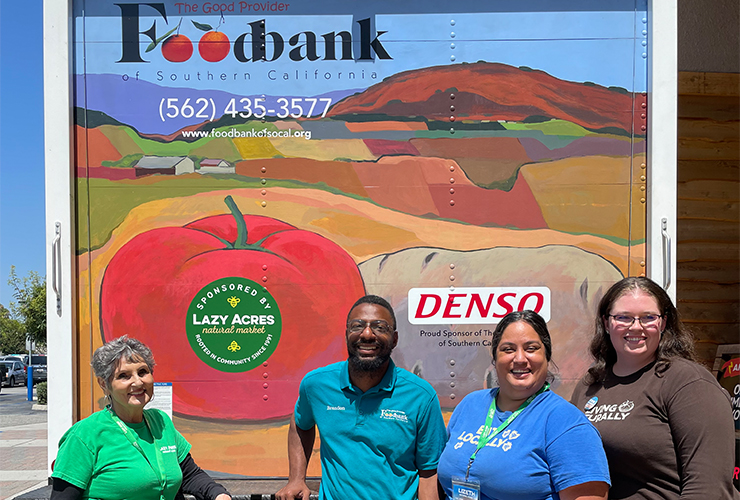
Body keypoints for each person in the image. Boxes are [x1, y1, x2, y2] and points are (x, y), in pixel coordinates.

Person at [571, 276, 739, 499]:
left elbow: (709, 488)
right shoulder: (590, 385)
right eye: (624, 317)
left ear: (663, 323)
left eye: (648, 317)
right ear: (606, 322)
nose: (636, 327)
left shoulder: (689, 384)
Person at [275, 295, 447, 500]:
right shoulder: (316, 385)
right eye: (358, 326)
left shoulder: (420, 396)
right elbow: (300, 422)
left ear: (395, 339)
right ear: (347, 333)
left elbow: (429, 471)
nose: (367, 334)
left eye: (380, 327)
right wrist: (296, 478)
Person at [438, 310, 611, 500]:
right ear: (495, 359)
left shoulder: (565, 422)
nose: (520, 358)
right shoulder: (471, 404)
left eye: (531, 348)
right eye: (508, 349)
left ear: (547, 356)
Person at [50, 336, 231, 500]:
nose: (137, 382)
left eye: (143, 372)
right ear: (104, 384)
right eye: (124, 376)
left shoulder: (161, 422)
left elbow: (190, 475)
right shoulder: (84, 435)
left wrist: (218, 493)